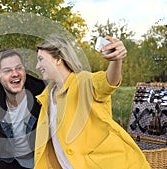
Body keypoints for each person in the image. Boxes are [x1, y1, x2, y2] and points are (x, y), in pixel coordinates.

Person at [33, 35, 151, 169]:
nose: (37, 66)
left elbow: (108, 83)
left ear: (58, 59)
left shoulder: (83, 81)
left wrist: (116, 60)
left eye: (41, 59)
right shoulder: (47, 96)